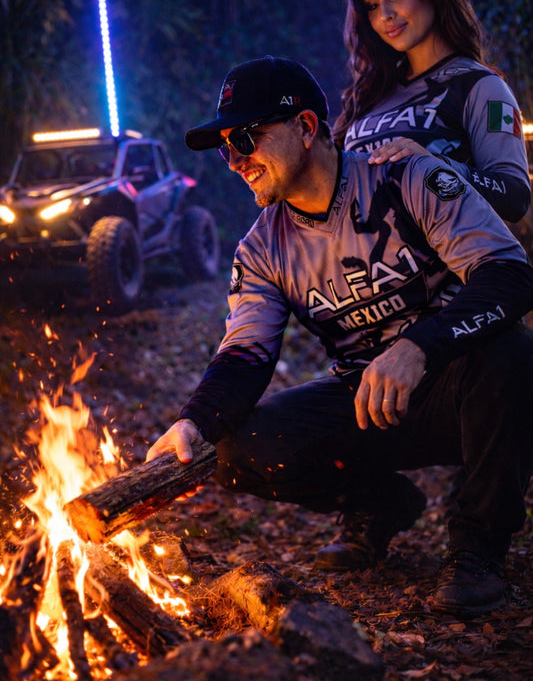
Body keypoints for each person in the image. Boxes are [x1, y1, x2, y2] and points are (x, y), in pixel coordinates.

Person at [147, 55, 533, 617]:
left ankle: (477, 547)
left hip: (462, 386)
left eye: (248, 139)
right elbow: (246, 353)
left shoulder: (409, 178)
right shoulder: (261, 249)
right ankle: (381, 503)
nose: (235, 161)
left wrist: (418, 346)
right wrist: (194, 420)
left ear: (306, 128)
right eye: (226, 147)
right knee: (236, 448)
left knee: (511, 352)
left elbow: (509, 274)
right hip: (372, 405)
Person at [333, 0, 531, 224]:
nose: (386, 15)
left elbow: (514, 197)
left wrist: (433, 166)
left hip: (452, 263)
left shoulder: (480, 87)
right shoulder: (369, 94)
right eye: (372, 5)